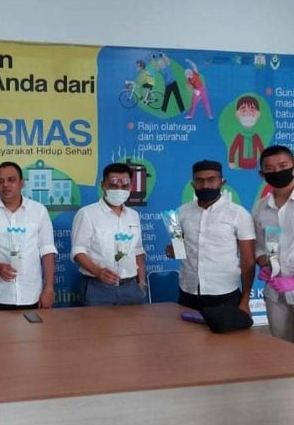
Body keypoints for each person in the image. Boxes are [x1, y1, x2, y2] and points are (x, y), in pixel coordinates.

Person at [167, 160, 255, 312]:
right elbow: (178, 247)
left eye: (211, 179)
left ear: (222, 182)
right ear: (193, 184)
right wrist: (174, 251)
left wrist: (245, 300)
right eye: (199, 180)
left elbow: (248, 261)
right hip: (188, 290)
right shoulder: (180, 213)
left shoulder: (239, 214)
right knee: (186, 329)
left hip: (225, 292)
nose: (205, 185)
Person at [0, 161, 57, 310]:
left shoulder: (39, 211)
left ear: (21, 183)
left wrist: (49, 288)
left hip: (31, 294)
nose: (5, 185)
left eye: (11, 180)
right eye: (0, 181)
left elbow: (47, 250)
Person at [71, 162, 146, 306]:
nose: (119, 190)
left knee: (135, 322)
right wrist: (99, 272)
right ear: (103, 185)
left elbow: (138, 250)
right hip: (98, 287)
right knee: (97, 322)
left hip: (131, 287)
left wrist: (141, 282)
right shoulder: (87, 213)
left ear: (131, 186)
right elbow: (78, 251)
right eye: (113, 185)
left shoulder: (133, 215)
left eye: (124, 186)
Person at [252, 145, 294, 341]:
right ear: (262, 174)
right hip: (276, 294)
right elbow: (260, 247)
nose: (277, 172)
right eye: (270, 169)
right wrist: (265, 265)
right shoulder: (260, 208)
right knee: (281, 347)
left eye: (283, 166)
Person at [228, 95, 265, 170]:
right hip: (241, 164)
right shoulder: (239, 136)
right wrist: (231, 162)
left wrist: (264, 163)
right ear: (237, 114)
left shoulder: (255, 136)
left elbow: (262, 150)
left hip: (253, 164)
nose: (248, 115)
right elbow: (233, 149)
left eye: (252, 112)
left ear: (258, 114)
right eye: (243, 112)